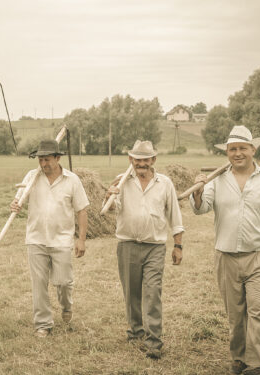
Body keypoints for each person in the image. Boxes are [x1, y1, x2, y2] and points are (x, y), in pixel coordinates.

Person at [190, 125, 260, 375]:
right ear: (227, 152)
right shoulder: (218, 180)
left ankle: (257, 364)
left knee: (257, 311)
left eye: (242, 149)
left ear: (253, 150)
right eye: (233, 149)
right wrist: (198, 191)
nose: (237, 153)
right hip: (226, 257)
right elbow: (202, 208)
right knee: (236, 315)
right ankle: (238, 358)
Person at [104, 140, 185, 360]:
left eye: (145, 159)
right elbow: (112, 209)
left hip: (155, 247)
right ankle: (135, 331)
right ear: (131, 160)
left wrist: (178, 245)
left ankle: (154, 342)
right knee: (131, 293)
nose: (141, 163)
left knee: (152, 293)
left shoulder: (164, 183)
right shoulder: (121, 182)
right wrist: (109, 195)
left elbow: (175, 216)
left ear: (153, 160)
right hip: (128, 244)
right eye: (137, 159)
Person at [10, 139, 89, 338]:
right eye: (40, 160)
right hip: (36, 239)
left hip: (62, 240)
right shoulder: (32, 176)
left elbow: (82, 210)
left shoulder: (72, 180)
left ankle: (66, 304)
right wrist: (15, 205)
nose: (43, 164)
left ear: (57, 158)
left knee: (63, 281)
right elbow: (18, 201)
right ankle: (43, 324)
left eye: (47, 160)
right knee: (39, 283)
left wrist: (81, 239)